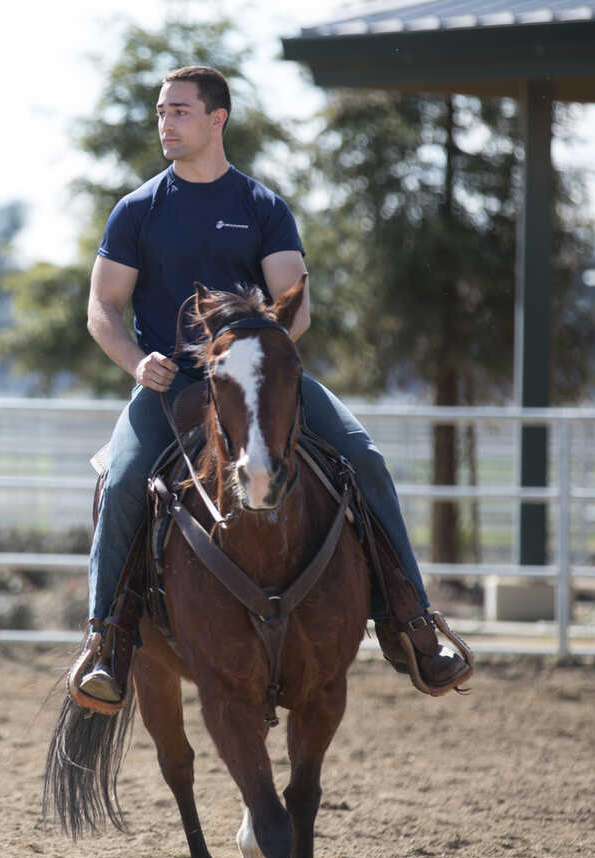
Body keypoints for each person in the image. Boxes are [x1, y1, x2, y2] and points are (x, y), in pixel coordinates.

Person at [73, 66, 472, 706]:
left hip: (258, 381)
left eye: (179, 111)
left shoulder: (260, 206)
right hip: (170, 384)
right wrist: (137, 362)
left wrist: (260, 350)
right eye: (161, 112)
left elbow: (297, 303)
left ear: (216, 119)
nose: (165, 123)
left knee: (364, 458)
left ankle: (415, 624)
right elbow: (102, 307)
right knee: (120, 481)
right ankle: (107, 642)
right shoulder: (138, 210)